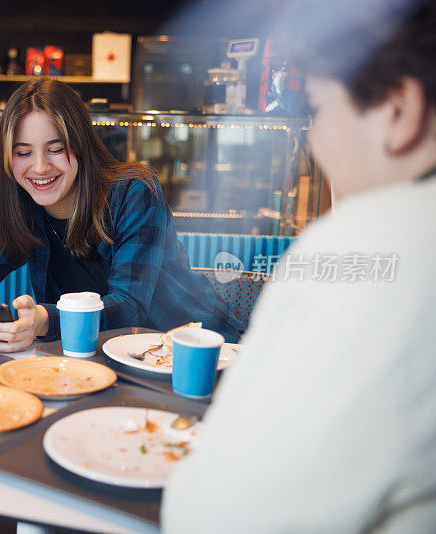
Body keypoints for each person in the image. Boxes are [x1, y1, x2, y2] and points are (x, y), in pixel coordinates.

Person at [162, 0, 436, 531]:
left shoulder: (368, 248)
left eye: (318, 109)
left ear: (399, 110)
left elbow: (219, 516)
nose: (311, 138)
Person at [0, 78, 241, 353]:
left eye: (55, 149)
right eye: (23, 153)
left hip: (204, 351)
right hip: (116, 360)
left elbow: (130, 305)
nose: (40, 167)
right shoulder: (22, 208)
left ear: (80, 145)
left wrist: (44, 319)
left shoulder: (134, 193)